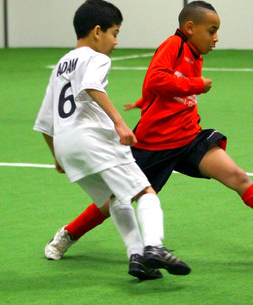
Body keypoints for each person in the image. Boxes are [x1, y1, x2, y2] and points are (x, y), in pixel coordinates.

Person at [44, 0, 253, 270]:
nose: (216, 38)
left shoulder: (195, 53)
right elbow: (156, 79)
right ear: (190, 28)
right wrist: (193, 84)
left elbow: (159, 89)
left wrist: (145, 102)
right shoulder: (174, 45)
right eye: (212, 31)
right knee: (112, 202)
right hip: (154, 144)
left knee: (237, 177)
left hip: (189, 137)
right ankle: (68, 234)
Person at [33, 0, 190, 281]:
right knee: (145, 192)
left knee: (116, 198)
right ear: (97, 32)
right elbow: (91, 86)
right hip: (93, 138)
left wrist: (57, 155)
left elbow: (45, 120)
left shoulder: (61, 65)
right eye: (114, 33)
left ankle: (137, 257)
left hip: (68, 146)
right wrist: (119, 122)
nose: (116, 42)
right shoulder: (96, 58)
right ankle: (154, 246)